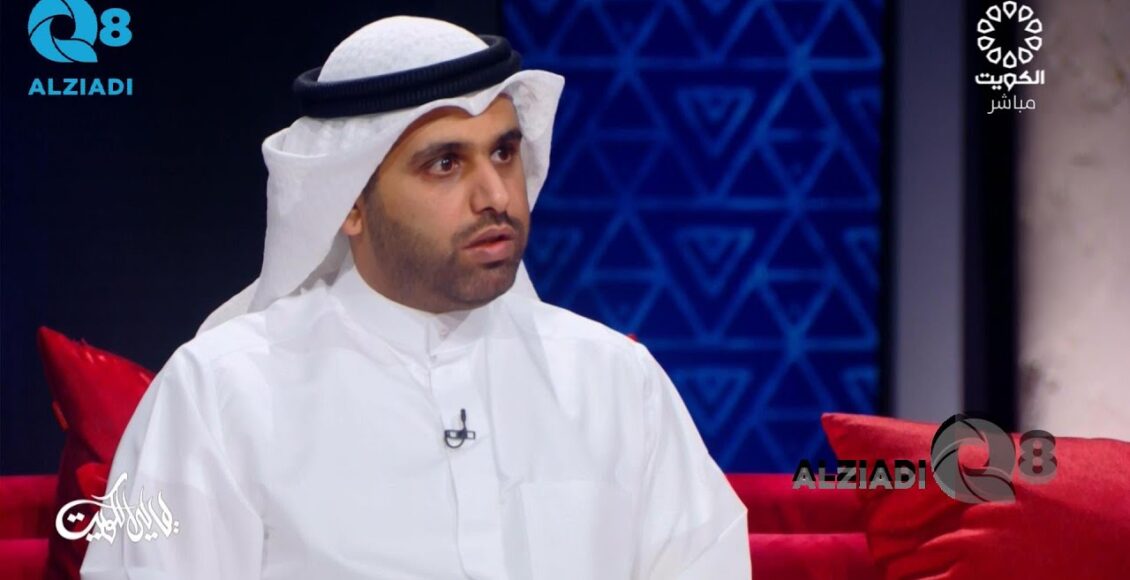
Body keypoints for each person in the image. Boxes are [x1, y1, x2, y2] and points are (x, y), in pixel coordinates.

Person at [80, 15, 750, 580]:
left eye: (504, 153)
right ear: (348, 202)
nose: (496, 195)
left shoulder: (615, 383)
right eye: (445, 164)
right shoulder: (220, 392)